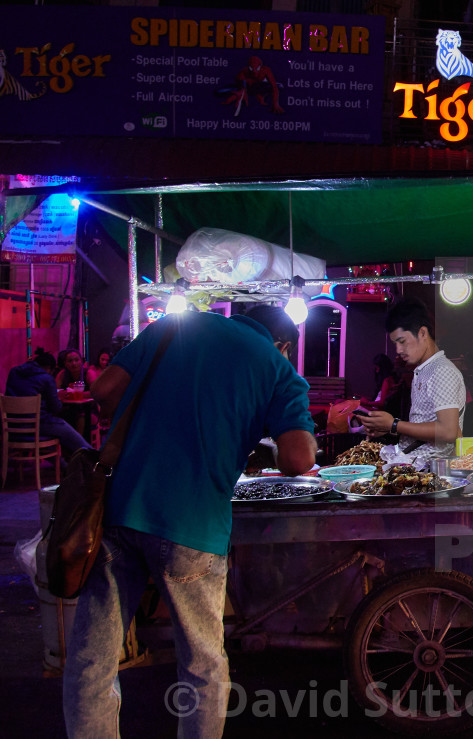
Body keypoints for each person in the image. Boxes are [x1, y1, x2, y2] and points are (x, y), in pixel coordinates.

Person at [62, 305, 317, 739]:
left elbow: (103, 391)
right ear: (285, 345)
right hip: (193, 526)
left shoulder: (173, 327)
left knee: (93, 657)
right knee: (202, 663)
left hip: (122, 509)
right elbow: (299, 459)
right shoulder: (278, 369)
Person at [356, 299, 465, 468]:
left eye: (402, 341)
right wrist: (389, 428)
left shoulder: (442, 370)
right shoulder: (424, 370)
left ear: (422, 333)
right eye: (395, 344)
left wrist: (394, 424)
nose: (398, 351)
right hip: (414, 463)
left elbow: (448, 431)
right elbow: (422, 425)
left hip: (430, 471)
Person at [5, 348, 91, 456]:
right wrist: (58, 397)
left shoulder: (13, 372)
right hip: (38, 424)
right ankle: (92, 457)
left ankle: (65, 465)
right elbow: (56, 408)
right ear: (49, 368)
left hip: (12, 427)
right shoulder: (46, 378)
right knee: (66, 429)